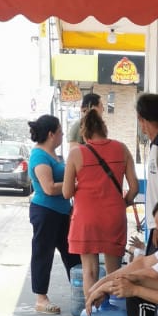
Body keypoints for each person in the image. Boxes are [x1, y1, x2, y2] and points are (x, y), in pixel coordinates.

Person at [62, 107, 140, 295]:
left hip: (86, 218)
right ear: (104, 128)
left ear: (84, 132)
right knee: (114, 272)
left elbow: (66, 193)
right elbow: (134, 187)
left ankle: (92, 314)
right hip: (113, 216)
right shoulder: (121, 149)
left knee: (90, 271)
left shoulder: (75, 154)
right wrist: (124, 203)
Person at [84, 194, 158, 316]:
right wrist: (101, 283)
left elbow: (149, 274)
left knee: (135, 297)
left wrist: (105, 288)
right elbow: (142, 263)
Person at [27, 114, 79, 314]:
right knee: (43, 253)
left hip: (62, 212)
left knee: (72, 253)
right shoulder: (39, 156)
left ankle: (81, 292)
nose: (62, 135)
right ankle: (41, 298)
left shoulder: (56, 155)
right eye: (59, 132)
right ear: (51, 134)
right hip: (45, 211)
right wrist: (74, 186)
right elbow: (48, 187)